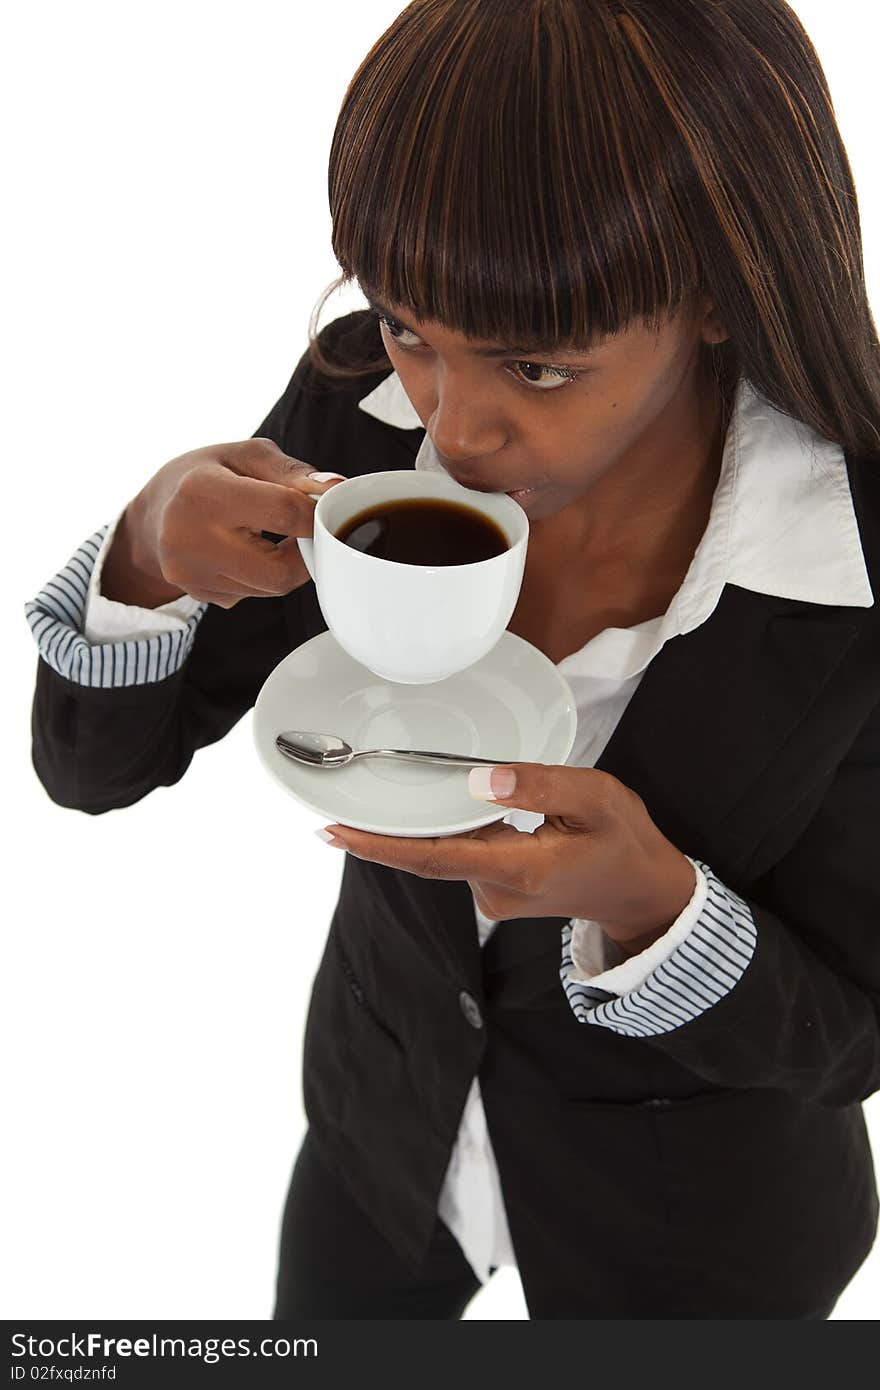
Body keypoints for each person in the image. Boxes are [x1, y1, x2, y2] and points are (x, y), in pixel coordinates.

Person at [25, 0, 880, 1320]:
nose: (456, 426)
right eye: (410, 325)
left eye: (536, 367)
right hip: (385, 1120)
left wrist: (659, 907)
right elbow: (93, 772)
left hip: (694, 1232)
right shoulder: (364, 404)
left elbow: (855, 1030)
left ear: (715, 289)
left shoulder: (852, 575)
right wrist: (144, 556)